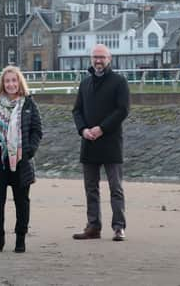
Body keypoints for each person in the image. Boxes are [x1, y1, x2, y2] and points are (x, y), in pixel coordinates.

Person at [0, 66, 42, 253]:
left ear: (19, 82)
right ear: (3, 84)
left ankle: (20, 239)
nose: (11, 84)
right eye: (7, 81)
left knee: (22, 201)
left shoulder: (29, 105)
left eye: (14, 80)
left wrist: (29, 151)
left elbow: (37, 131)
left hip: (21, 161)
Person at [72, 44, 130, 242]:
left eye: (102, 57)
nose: (98, 60)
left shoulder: (119, 82)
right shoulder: (85, 83)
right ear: (91, 59)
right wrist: (83, 130)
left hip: (111, 142)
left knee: (116, 187)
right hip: (89, 142)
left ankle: (119, 227)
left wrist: (101, 128)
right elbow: (77, 111)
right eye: (95, 57)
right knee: (91, 188)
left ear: (109, 59)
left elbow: (122, 110)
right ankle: (93, 226)